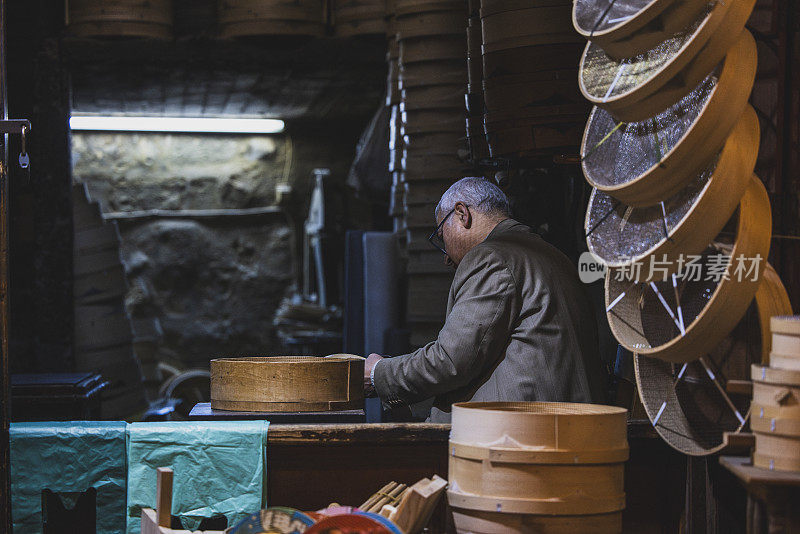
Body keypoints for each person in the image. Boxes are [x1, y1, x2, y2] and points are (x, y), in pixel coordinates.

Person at [364, 177, 607, 423]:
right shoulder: (556, 256)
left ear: (461, 214)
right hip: (567, 426)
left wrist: (378, 374)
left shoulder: (491, 257)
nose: (446, 258)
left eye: (441, 237)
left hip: (523, 436)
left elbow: (450, 361)